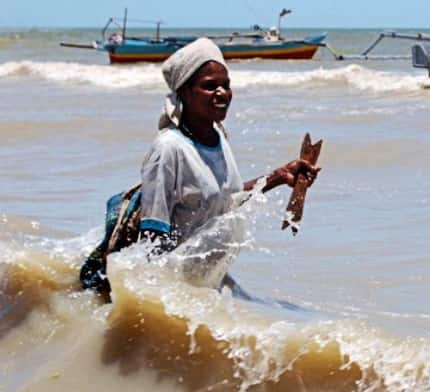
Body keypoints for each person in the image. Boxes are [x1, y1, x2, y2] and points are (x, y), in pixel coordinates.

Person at [80, 38, 319, 295]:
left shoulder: (219, 138)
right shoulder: (168, 150)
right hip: (175, 289)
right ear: (184, 92)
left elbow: (226, 200)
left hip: (206, 283)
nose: (222, 93)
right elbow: (151, 240)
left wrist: (278, 177)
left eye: (226, 85)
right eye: (209, 86)